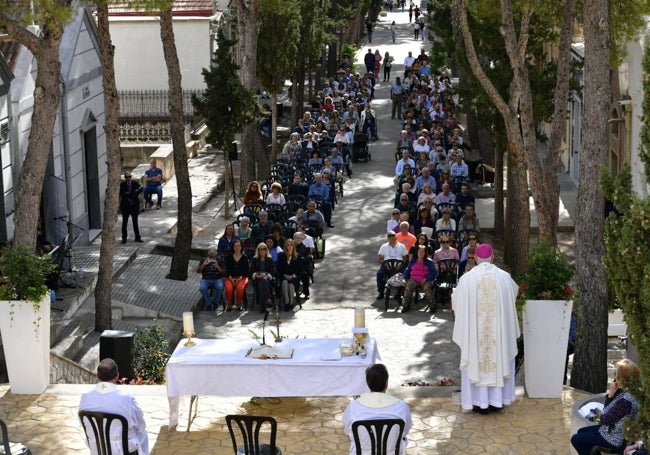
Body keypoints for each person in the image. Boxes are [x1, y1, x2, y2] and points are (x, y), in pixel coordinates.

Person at [452, 243, 520, 414]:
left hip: (475, 335)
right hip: (498, 334)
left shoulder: (466, 279)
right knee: (498, 355)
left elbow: (457, 304)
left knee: (475, 356)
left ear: (475, 258)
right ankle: (497, 401)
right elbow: (513, 295)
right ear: (492, 257)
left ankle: (477, 402)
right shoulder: (504, 277)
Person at [79, 358, 149, 455]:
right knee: (142, 433)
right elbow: (141, 425)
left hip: (98, 450)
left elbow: (85, 425)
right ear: (117, 376)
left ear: (97, 376)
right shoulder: (127, 399)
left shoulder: (85, 398)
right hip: (124, 451)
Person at [571, 359, 640, 455]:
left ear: (623, 378)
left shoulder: (626, 402)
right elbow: (609, 414)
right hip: (611, 430)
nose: (615, 377)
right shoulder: (630, 391)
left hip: (614, 439)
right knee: (580, 432)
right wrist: (611, 395)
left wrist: (594, 414)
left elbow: (605, 419)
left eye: (617, 375)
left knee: (576, 439)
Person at [342, 364, 412, 455]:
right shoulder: (401, 406)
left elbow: (347, 431)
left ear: (367, 382)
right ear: (386, 383)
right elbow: (405, 430)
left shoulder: (354, 405)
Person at [402, 245, 436, 313]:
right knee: (408, 286)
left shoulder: (429, 261)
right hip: (414, 279)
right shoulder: (413, 260)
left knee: (426, 288)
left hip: (426, 279)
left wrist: (426, 278)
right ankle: (406, 306)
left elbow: (433, 272)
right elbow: (408, 269)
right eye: (419, 251)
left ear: (425, 253)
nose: (421, 253)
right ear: (417, 252)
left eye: (423, 252)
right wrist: (405, 278)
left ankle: (432, 306)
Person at [377, 231, 408, 300]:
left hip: (399, 266)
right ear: (387, 238)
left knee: (405, 274)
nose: (391, 237)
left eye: (393, 235)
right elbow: (379, 259)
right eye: (389, 236)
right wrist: (385, 264)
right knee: (380, 274)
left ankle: (400, 293)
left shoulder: (402, 246)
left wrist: (401, 264)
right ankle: (381, 292)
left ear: (396, 236)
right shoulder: (384, 246)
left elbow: (405, 258)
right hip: (387, 265)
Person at [250, 242, 276, 312]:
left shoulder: (269, 259)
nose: (262, 250)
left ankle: (263, 306)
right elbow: (251, 271)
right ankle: (268, 299)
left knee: (264, 281)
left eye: (264, 249)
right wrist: (257, 275)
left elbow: (273, 272)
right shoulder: (254, 259)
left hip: (267, 278)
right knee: (263, 282)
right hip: (257, 279)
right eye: (260, 249)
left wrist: (266, 275)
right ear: (258, 250)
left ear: (266, 250)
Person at [276, 238, 302, 311]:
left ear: (293, 246)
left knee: (290, 285)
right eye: (288, 245)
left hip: (294, 278)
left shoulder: (297, 256)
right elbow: (279, 269)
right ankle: (287, 303)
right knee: (284, 283)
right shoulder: (281, 256)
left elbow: (299, 270)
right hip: (283, 276)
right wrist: (285, 275)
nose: (289, 246)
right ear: (285, 246)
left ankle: (291, 303)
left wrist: (292, 276)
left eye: (291, 245)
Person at [224, 239, 249, 311]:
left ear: (241, 247)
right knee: (229, 288)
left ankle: (239, 304)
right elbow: (227, 269)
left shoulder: (245, 258)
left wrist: (239, 278)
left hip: (242, 277)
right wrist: (231, 278)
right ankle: (229, 304)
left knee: (240, 288)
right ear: (233, 247)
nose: (237, 247)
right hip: (230, 277)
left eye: (239, 246)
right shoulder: (229, 257)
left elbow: (246, 270)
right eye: (235, 246)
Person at [119, 171, 143, 244]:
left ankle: (137, 237)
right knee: (125, 222)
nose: (128, 178)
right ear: (125, 177)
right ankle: (124, 238)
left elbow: (139, 190)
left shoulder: (135, 184)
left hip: (134, 206)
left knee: (135, 222)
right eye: (127, 177)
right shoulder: (122, 185)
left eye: (130, 177)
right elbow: (122, 194)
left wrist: (130, 193)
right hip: (125, 206)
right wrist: (133, 193)